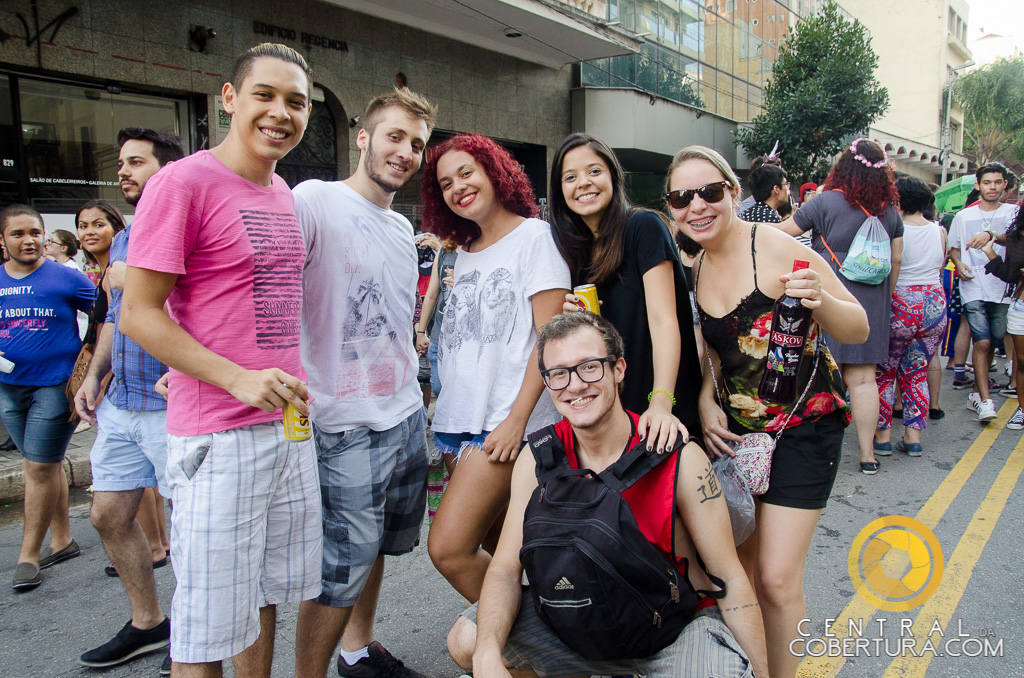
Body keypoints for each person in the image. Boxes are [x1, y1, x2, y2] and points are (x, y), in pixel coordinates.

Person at [120, 43, 321, 676]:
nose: (280, 112)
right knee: (207, 625)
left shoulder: (281, 189)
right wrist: (234, 377)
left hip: (286, 427)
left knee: (261, 598)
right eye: (264, 94)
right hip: (218, 436)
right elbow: (140, 312)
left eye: (296, 101)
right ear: (228, 99)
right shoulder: (181, 182)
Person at [447, 311, 769, 678]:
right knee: (469, 640)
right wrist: (488, 655)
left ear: (618, 369)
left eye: (589, 367)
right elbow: (505, 569)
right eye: (559, 374)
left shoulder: (676, 454)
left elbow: (729, 577)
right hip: (580, 624)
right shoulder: (537, 459)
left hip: (671, 632)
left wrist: (761, 672)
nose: (575, 385)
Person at [669, 145, 867, 678]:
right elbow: (709, 353)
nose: (698, 206)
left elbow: (857, 329)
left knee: (778, 578)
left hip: (805, 426)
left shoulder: (778, 247)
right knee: (746, 570)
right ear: (671, 208)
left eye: (710, 191)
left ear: (733, 192)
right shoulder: (692, 265)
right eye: (682, 197)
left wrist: (817, 300)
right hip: (738, 439)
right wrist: (708, 400)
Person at [292, 87, 437, 678]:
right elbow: (266, 289)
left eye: (418, 144)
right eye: (396, 136)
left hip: (403, 415)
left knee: (379, 546)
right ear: (363, 136)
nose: (406, 152)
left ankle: (358, 650)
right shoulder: (314, 200)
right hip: (342, 421)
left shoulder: (403, 230)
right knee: (340, 564)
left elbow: (396, 321)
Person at [421, 133, 570, 604]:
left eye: (466, 173)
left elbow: (549, 340)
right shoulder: (462, 251)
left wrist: (516, 422)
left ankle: (522, 655)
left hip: (504, 426)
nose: (458, 187)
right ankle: (553, 645)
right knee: (506, 551)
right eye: (446, 183)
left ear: (494, 171)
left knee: (448, 549)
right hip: (455, 424)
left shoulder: (535, 237)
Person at [74, 127, 184, 674]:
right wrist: (96, 375)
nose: (123, 172)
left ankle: (188, 636)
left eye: (136, 162)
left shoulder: (186, 221)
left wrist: (130, 277)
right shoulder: (121, 239)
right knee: (107, 514)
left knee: (187, 530)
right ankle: (148, 622)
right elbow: (118, 317)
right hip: (122, 401)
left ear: (165, 170)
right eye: (121, 163)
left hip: (174, 404)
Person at [548, 132, 700, 445]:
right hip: (614, 413)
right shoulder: (577, 249)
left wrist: (660, 403)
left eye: (594, 171)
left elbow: (664, 322)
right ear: (560, 190)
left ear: (613, 177)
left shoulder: (642, 226)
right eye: (570, 177)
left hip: (660, 406)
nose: (584, 183)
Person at [775, 138, 904, 474]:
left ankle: (813, 454)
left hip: (828, 298)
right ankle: (867, 455)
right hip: (873, 300)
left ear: (844, 166)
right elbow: (897, 259)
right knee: (863, 381)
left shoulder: (825, 202)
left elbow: (782, 234)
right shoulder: (890, 212)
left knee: (816, 377)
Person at [0, 205, 95, 591]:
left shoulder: (65, 278)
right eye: (19, 234)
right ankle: (62, 540)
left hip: (54, 386)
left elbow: (109, 313)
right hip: (8, 388)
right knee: (43, 464)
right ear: (2, 240)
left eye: (36, 232)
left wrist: (92, 363)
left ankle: (28, 555)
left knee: (37, 468)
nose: (29, 240)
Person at [873, 178, 947, 457]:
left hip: (900, 302)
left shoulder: (894, 229)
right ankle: (913, 437)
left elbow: (892, 263)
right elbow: (939, 268)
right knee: (916, 374)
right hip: (934, 303)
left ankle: (882, 437)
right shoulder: (939, 231)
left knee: (885, 373)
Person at [949, 162, 1016, 422]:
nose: (992, 187)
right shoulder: (964, 216)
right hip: (972, 285)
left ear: (1005, 185)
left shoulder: (1012, 213)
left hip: (1003, 287)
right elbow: (954, 248)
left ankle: (977, 391)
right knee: (983, 340)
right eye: (987, 182)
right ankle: (986, 401)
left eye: (997, 182)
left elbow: (1017, 243)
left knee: (995, 338)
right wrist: (960, 263)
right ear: (978, 185)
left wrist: (992, 235)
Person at [968, 197, 1024, 428]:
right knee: (1022, 362)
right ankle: (1022, 409)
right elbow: (1011, 276)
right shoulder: (1017, 238)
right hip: (1021, 307)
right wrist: (991, 251)